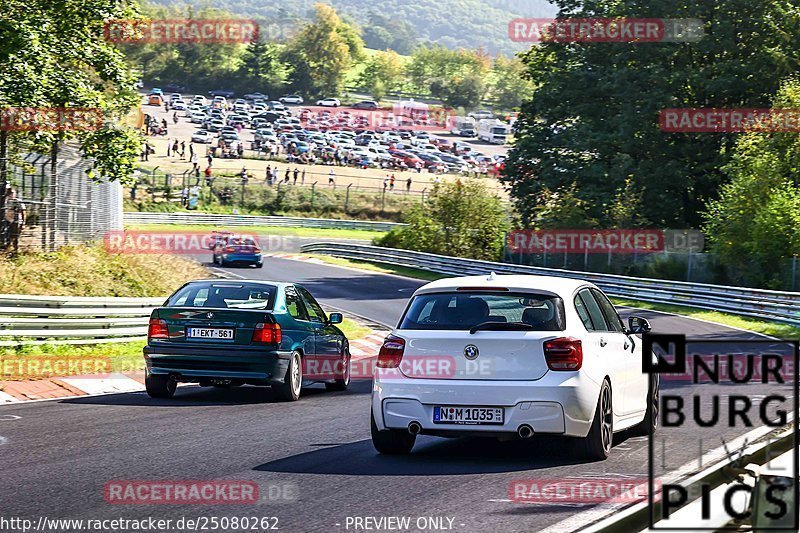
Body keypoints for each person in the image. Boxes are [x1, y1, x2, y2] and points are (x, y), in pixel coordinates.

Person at [3, 188, 25, 254]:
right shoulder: (5, 201)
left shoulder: (18, 201)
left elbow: (23, 212)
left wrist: (23, 223)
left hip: (16, 221)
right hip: (7, 221)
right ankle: (6, 251)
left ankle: (16, 251)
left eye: (12, 193)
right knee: (7, 236)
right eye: (9, 193)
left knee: (15, 237)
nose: (10, 195)